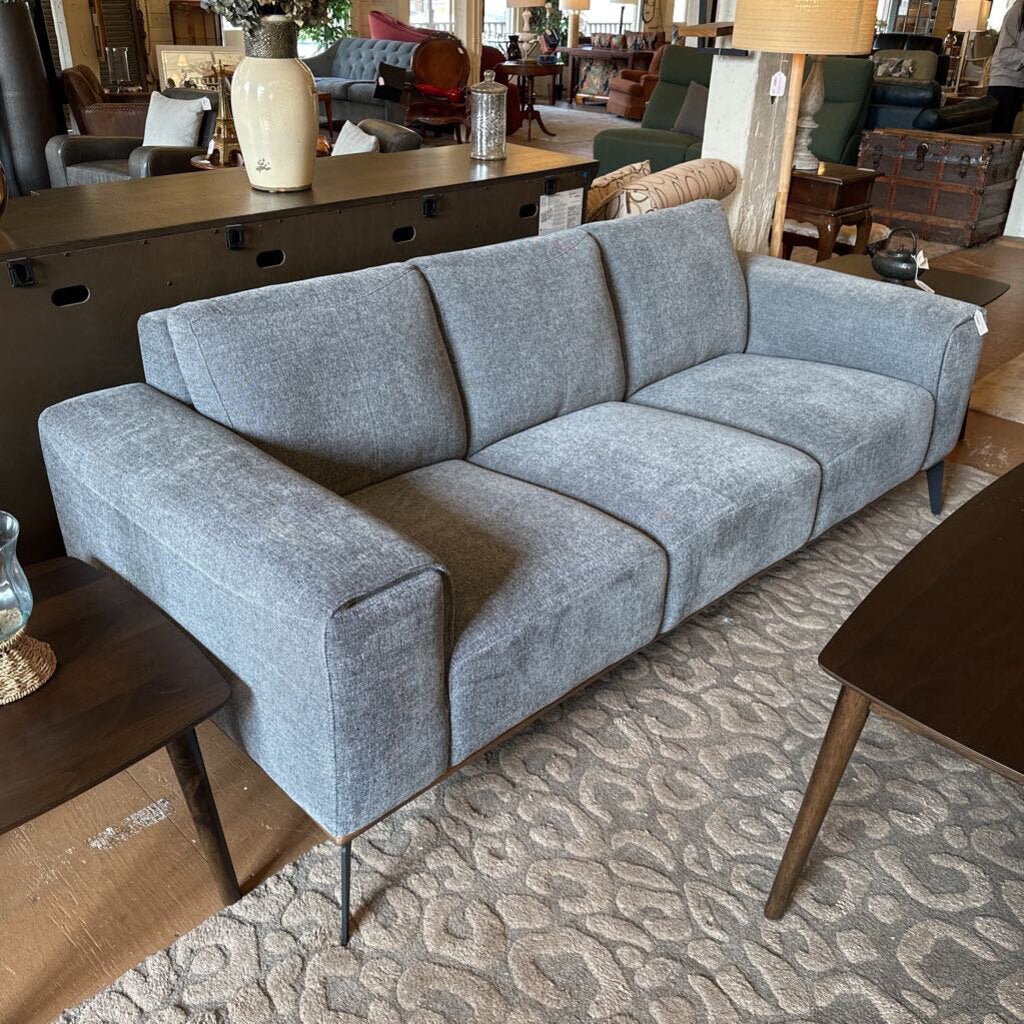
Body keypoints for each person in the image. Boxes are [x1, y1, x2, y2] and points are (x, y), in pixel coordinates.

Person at [988, 0, 1024, 131]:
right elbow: (1004, 51)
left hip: (1020, 82)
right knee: (999, 133)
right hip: (1004, 81)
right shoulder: (1017, 11)